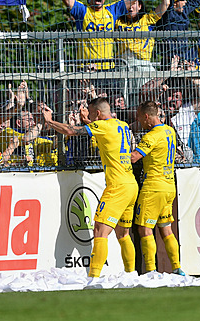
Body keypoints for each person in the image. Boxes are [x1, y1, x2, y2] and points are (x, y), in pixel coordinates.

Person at [41, 98, 138, 278]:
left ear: (98, 114)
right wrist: (87, 120)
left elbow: (70, 130)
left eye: (92, 114)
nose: (90, 116)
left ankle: (93, 278)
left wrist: (49, 121)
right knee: (123, 233)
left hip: (117, 186)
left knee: (100, 230)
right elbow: (102, 131)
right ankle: (131, 274)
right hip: (131, 184)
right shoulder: (122, 125)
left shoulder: (103, 127)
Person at [130, 101, 185, 275]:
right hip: (169, 185)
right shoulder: (169, 131)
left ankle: (151, 270)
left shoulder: (151, 136)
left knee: (144, 229)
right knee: (166, 228)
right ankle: (177, 267)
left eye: (139, 117)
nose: (139, 121)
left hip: (153, 187)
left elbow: (134, 158)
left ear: (146, 117)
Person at [115, 0, 170, 104]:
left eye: (134, 4)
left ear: (139, 6)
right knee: (127, 104)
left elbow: (165, 3)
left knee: (145, 102)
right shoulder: (117, 21)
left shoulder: (146, 19)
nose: (131, 7)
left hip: (143, 65)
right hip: (123, 66)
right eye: (128, 4)